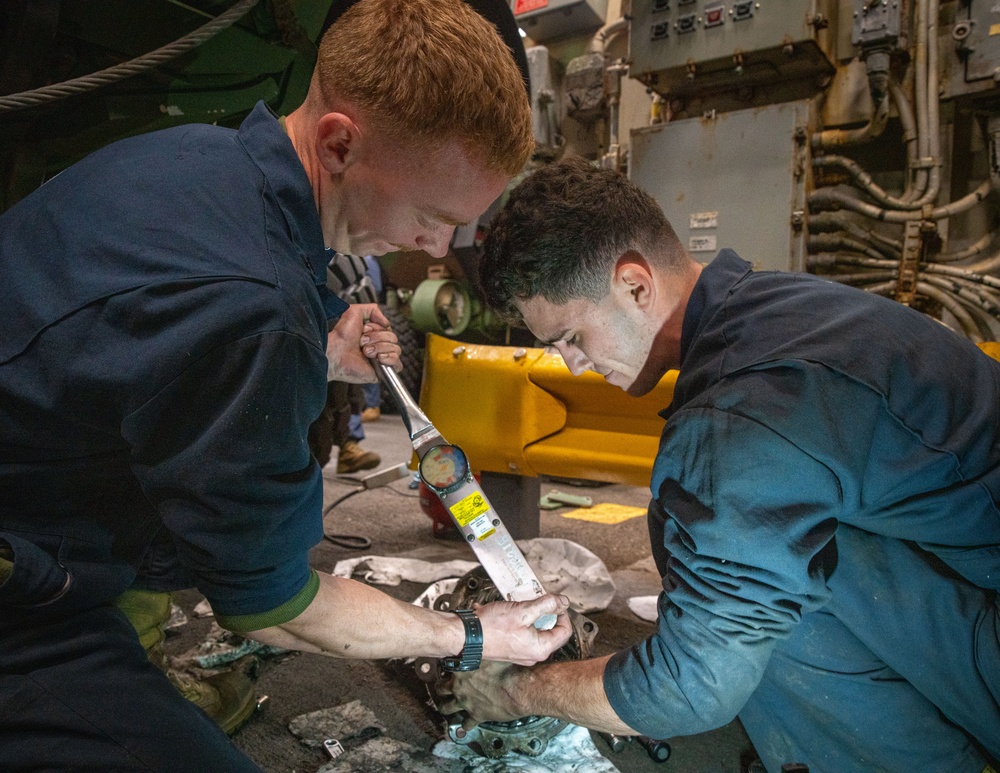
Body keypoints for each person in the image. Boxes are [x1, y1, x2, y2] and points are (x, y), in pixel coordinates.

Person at [0, 1, 572, 770]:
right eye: (432, 217)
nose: (435, 248)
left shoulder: (195, 158)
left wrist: (324, 353)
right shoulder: (255, 306)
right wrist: (472, 635)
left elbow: (150, 351)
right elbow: (274, 608)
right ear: (340, 143)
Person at [442, 156, 1000, 772]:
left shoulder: (745, 413)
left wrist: (517, 691)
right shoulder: (780, 309)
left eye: (571, 338)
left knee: (757, 611)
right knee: (753, 563)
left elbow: (689, 686)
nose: (572, 364)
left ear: (635, 285)